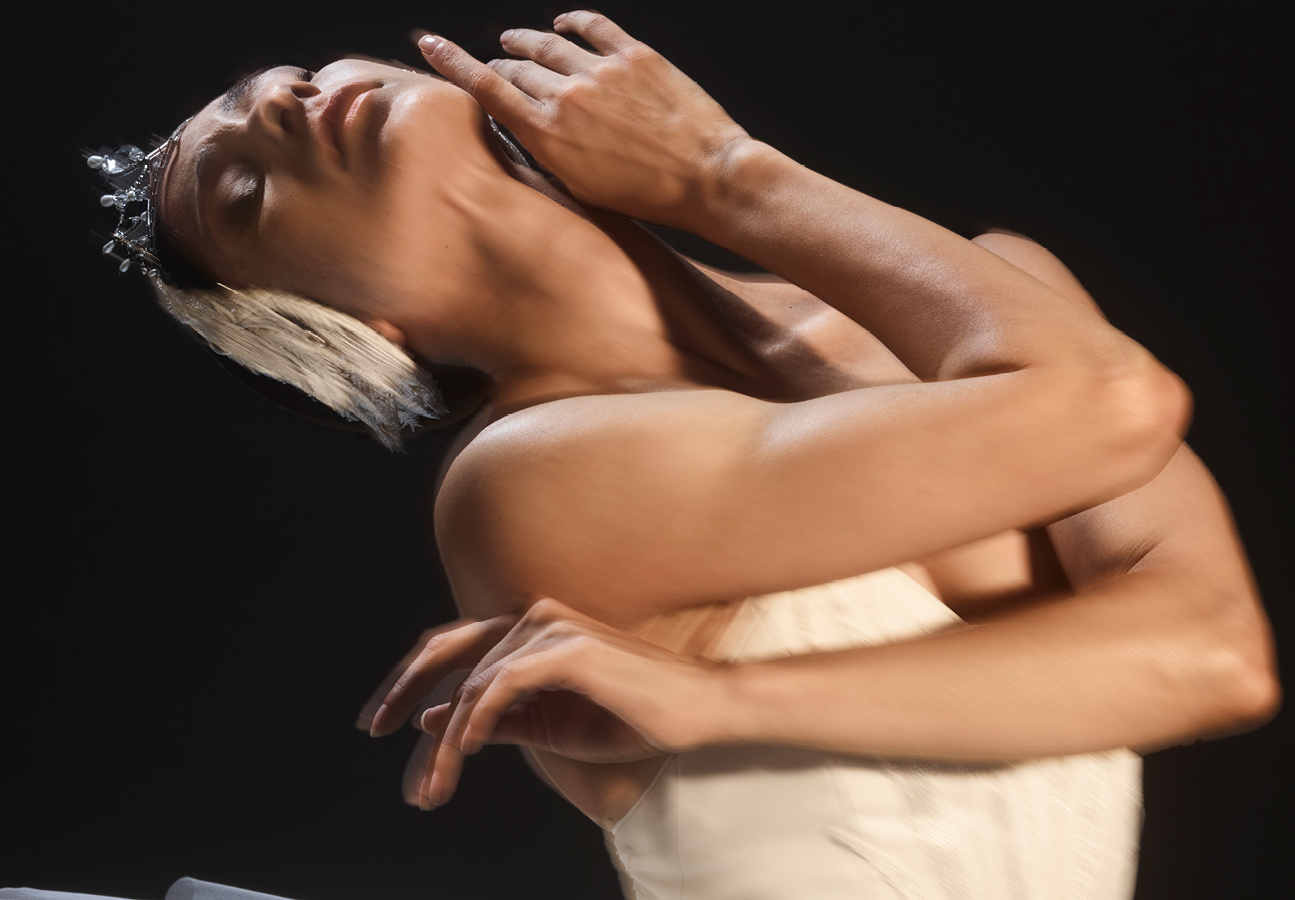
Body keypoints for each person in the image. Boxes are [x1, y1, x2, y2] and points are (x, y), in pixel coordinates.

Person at [86, 11, 1277, 898]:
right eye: (245, 189)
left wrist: (724, 700)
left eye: (286, 80)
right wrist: (722, 175)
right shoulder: (532, 477)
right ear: (352, 329)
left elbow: (1218, 657)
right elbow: (1111, 407)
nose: (284, 111)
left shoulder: (992, 302)